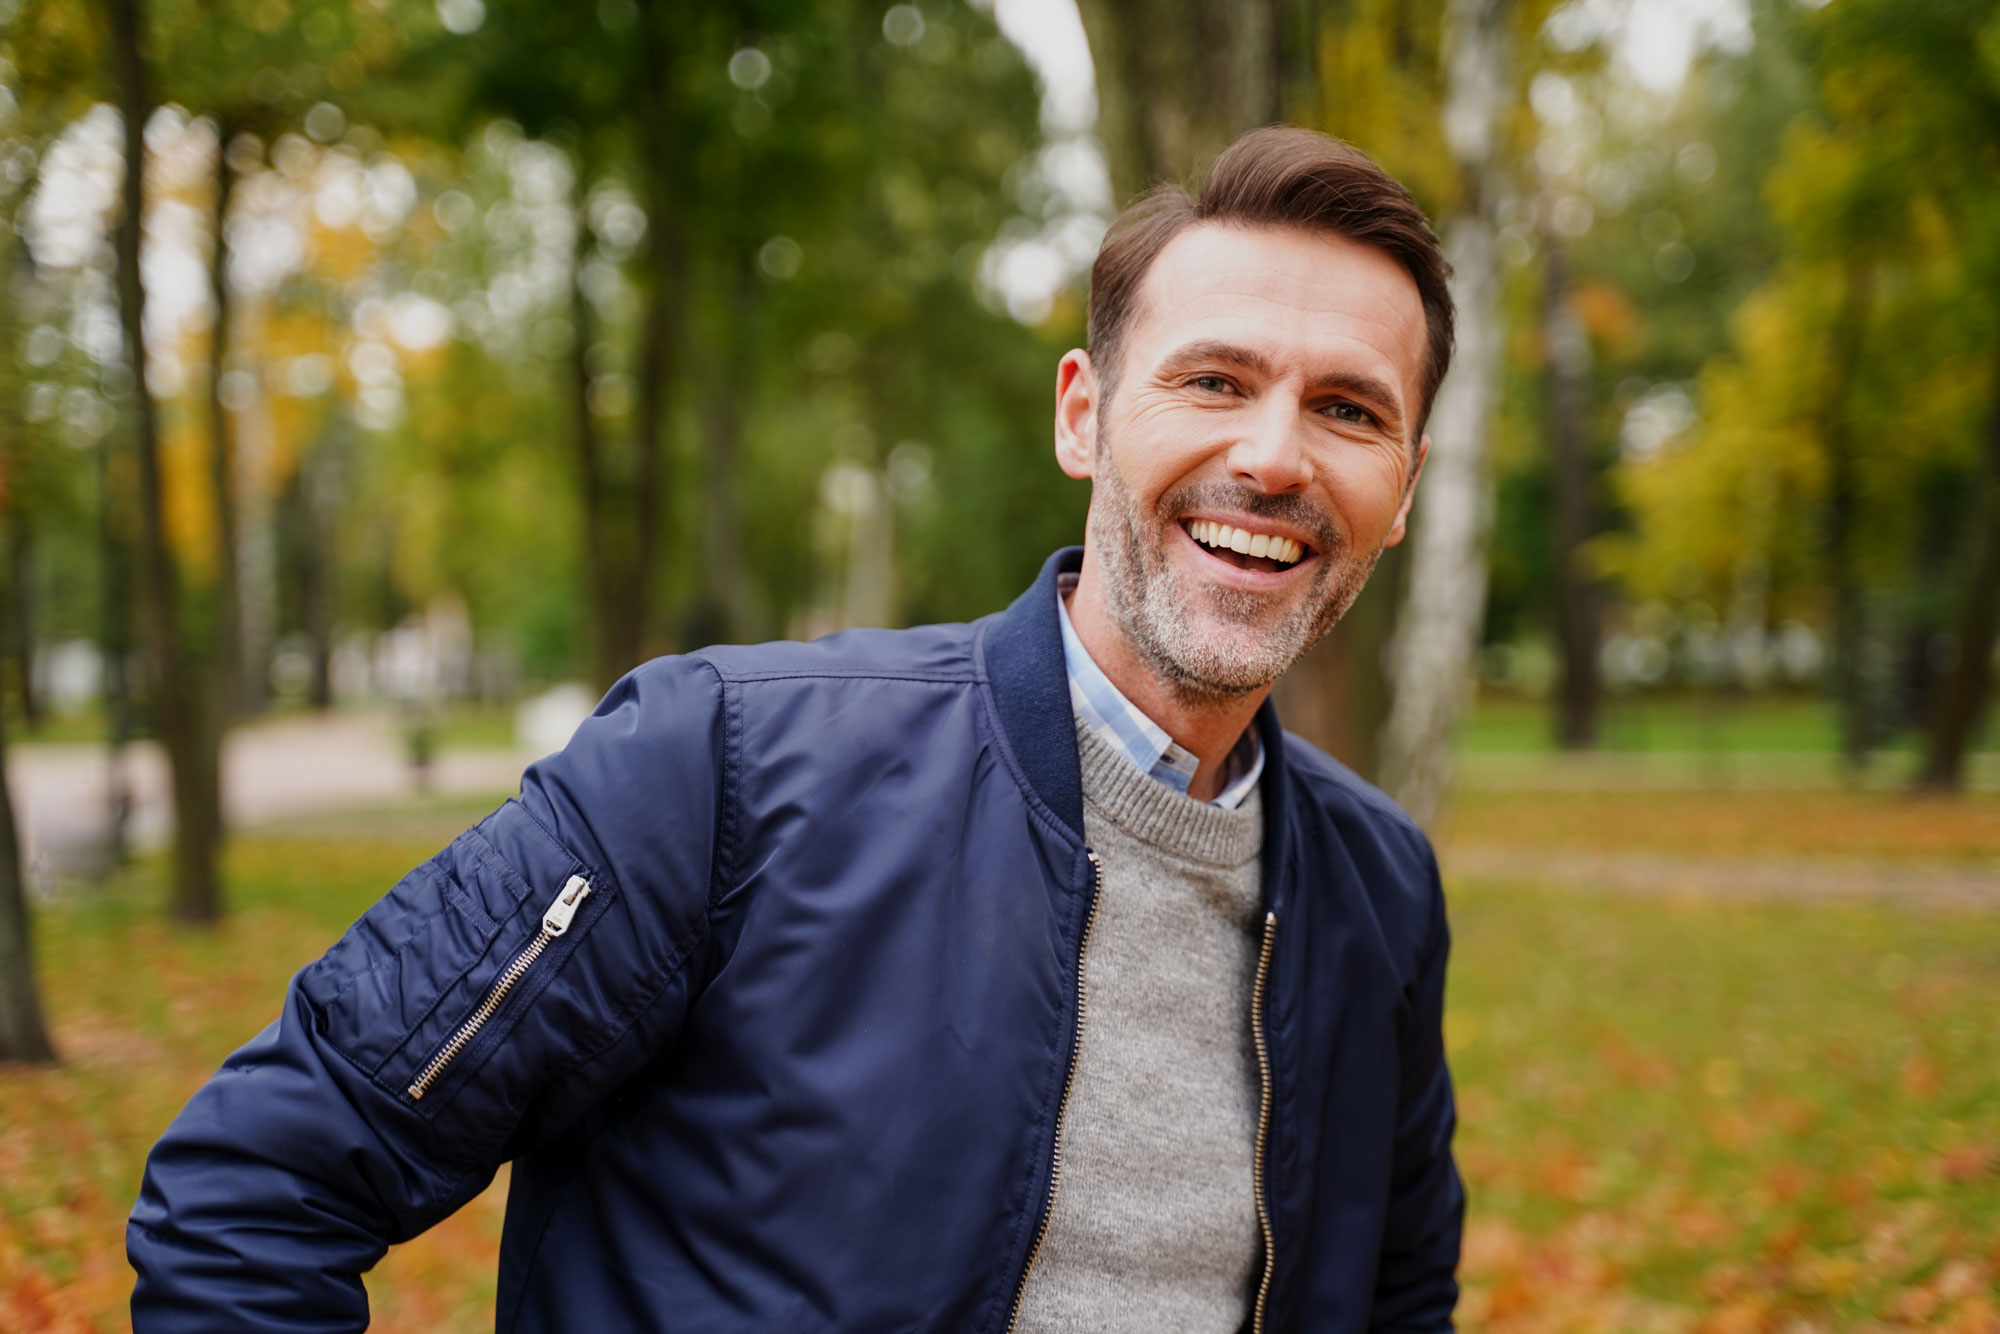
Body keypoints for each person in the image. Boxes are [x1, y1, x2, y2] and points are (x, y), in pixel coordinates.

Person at [129, 125, 1462, 1333]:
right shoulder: (724, 769)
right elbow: (256, 1190)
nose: (1279, 459)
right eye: (1216, 380)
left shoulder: (1381, 890)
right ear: (1084, 413)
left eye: (1350, 409)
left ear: (1400, 488)